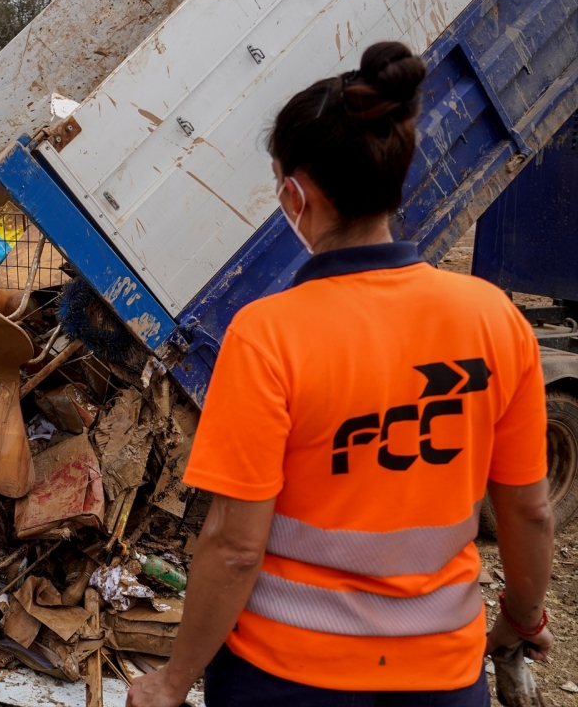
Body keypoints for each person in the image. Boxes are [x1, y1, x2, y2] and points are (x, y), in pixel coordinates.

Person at [126, 42, 554, 706]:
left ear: (295, 195)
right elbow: (527, 510)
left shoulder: (269, 334)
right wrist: (523, 621)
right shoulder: (494, 319)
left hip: (286, 675)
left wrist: (173, 680)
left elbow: (235, 546)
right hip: (442, 676)